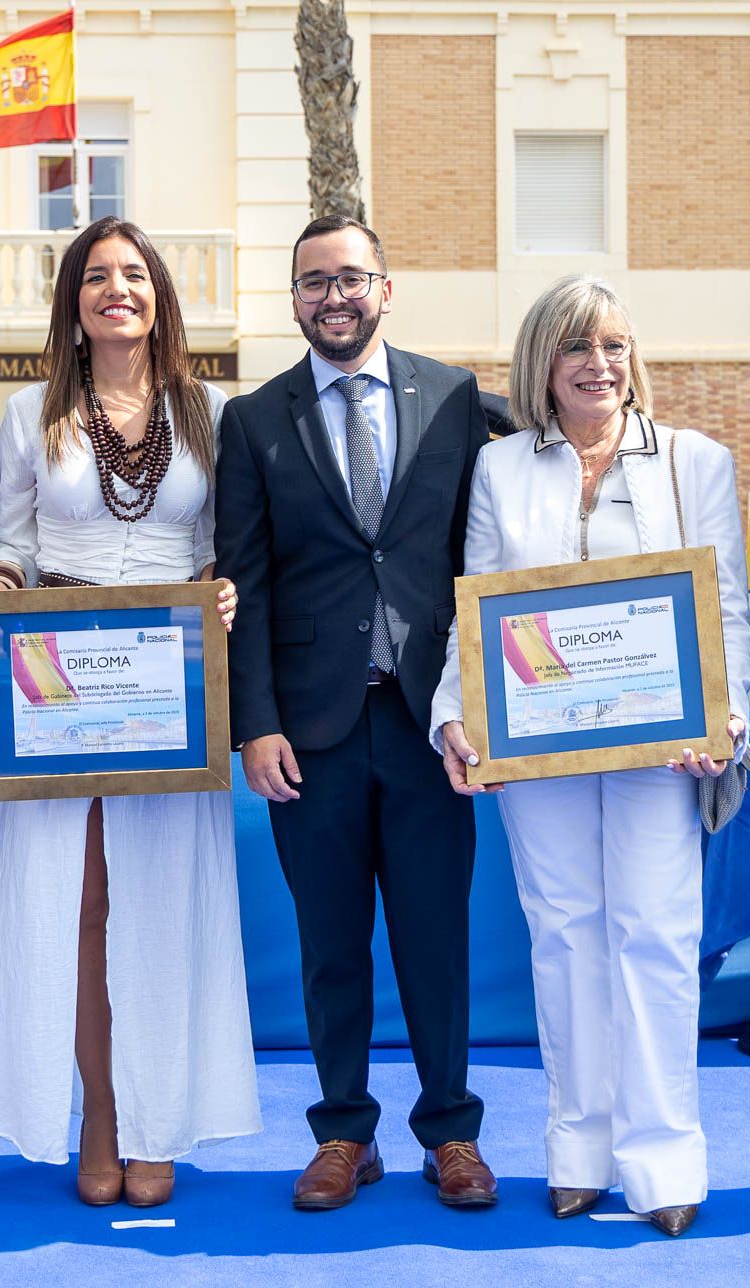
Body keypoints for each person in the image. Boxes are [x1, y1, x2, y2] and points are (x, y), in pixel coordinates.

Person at [0, 217, 257, 1208]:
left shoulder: (210, 409)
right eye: (95, 276)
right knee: (78, 910)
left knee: (159, 907)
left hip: (169, 687)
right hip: (58, 685)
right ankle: (103, 1119)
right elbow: (13, 540)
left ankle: (157, 1116)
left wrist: (221, 584)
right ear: (72, 302)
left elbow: (221, 542)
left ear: (158, 294)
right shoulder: (31, 409)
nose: (115, 289)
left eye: (132, 274)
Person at [431, 276, 750, 1234]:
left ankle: (664, 1164)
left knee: (653, 936)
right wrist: (457, 711)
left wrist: (724, 715)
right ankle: (576, 1150)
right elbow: (476, 604)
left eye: (614, 345)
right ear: (544, 361)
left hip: (665, 751)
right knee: (564, 933)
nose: (599, 365)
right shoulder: (500, 471)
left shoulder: (694, 462)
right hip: (539, 748)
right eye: (577, 347)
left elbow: (727, 603)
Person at [213, 215, 496, 1210]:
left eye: (350, 278)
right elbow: (240, 581)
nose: (333, 296)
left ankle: (450, 1132)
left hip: (432, 726)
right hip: (310, 732)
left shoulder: (458, 398)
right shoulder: (252, 421)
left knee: (435, 938)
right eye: (312, 281)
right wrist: (255, 722)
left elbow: (517, 512)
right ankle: (343, 1132)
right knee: (331, 944)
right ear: (294, 298)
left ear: (386, 285)